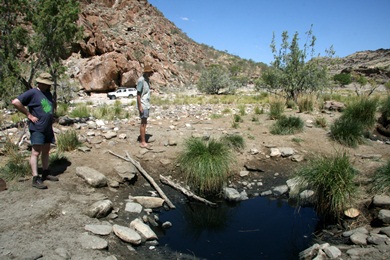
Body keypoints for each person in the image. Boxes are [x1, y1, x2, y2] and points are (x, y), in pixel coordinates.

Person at [12, 72, 59, 189]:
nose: (48, 86)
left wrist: (51, 115)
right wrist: (29, 115)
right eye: (46, 84)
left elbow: (47, 107)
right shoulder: (33, 92)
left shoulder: (47, 93)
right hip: (37, 127)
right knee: (36, 152)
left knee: (46, 150)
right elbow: (16, 102)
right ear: (40, 83)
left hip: (47, 127)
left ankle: (45, 171)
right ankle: (35, 177)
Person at [136, 65, 154, 149]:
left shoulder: (147, 80)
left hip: (146, 104)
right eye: (150, 72)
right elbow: (138, 94)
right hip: (143, 104)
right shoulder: (141, 80)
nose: (151, 74)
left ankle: (143, 140)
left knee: (145, 122)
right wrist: (140, 106)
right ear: (147, 72)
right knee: (143, 123)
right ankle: (143, 142)